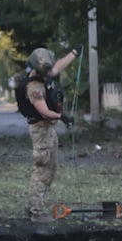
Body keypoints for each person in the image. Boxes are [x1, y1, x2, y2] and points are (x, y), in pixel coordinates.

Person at [14, 47, 79, 222]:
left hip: (48, 129)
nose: (49, 72)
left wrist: (74, 53)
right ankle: (37, 212)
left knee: (51, 168)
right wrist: (62, 117)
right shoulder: (34, 87)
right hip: (40, 129)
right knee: (42, 169)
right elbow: (43, 111)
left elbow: (57, 67)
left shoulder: (42, 74)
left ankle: (33, 206)